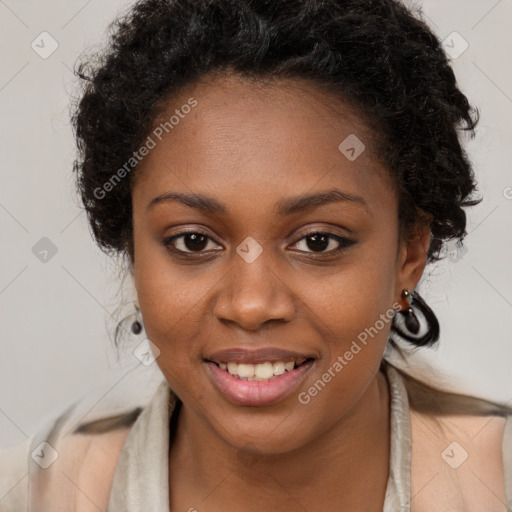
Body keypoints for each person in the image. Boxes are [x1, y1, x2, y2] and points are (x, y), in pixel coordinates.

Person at [1, 0, 511, 510]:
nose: (250, 305)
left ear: (409, 254)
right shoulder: (37, 491)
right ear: (133, 252)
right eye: (193, 241)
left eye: (318, 241)